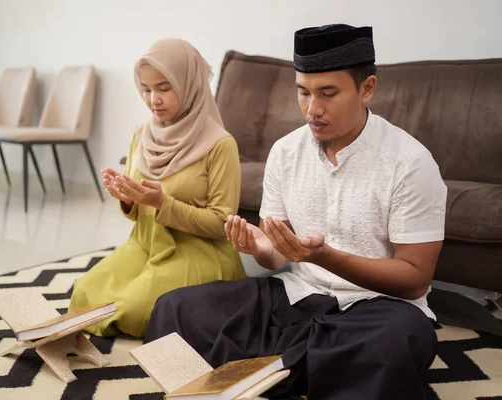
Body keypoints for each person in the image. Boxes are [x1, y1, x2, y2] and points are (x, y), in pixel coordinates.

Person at [144, 24, 447, 399]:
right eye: (303, 93)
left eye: (328, 94)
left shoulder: (410, 163)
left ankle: (272, 371)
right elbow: (277, 257)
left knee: (393, 344)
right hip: (297, 296)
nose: (312, 109)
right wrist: (261, 248)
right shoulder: (286, 153)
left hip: (375, 310)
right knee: (174, 309)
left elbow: (415, 279)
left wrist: (326, 257)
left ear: (367, 88)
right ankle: (299, 368)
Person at [68, 38, 246, 338]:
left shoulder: (220, 145)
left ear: (190, 84)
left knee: (134, 310)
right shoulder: (142, 134)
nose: (153, 100)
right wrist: (126, 198)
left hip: (198, 250)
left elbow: (221, 223)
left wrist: (164, 203)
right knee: (84, 293)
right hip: (146, 243)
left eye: (164, 88)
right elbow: (138, 215)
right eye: (146, 90)